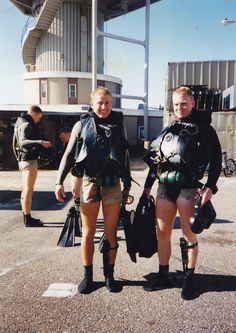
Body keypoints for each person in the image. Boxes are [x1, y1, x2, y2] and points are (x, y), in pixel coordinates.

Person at [143, 86, 222, 300]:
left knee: (189, 234)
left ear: (193, 103)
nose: (179, 107)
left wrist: (210, 187)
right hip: (165, 187)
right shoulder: (170, 127)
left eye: (184, 103)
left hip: (188, 187)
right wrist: (147, 187)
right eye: (176, 104)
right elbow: (157, 160)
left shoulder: (204, 128)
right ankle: (163, 274)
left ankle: (190, 279)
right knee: (163, 232)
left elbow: (216, 160)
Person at [55, 87, 131, 294]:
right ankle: (88, 276)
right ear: (92, 104)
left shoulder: (119, 125)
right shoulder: (81, 124)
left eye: (107, 102)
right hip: (89, 182)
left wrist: (128, 183)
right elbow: (69, 154)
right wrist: (59, 181)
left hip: (112, 184)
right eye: (100, 102)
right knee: (88, 233)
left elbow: (124, 156)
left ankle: (109, 276)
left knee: (111, 232)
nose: (104, 107)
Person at [13, 105, 52, 227]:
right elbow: (22, 142)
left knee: (25, 190)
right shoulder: (26, 124)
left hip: (23, 160)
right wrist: (40, 142)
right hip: (28, 161)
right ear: (34, 113)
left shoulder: (19, 123)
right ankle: (28, 218)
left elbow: (15, 144)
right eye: (39, 117)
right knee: (28, 191)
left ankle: (27, 216)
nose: (38, 120)